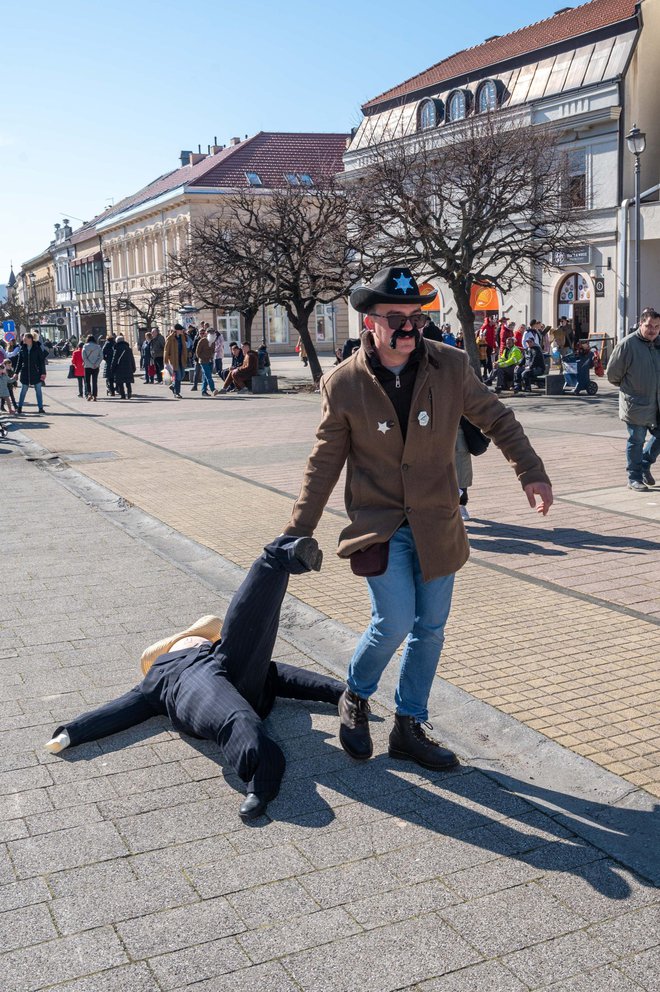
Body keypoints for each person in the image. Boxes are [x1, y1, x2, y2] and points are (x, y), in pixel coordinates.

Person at [283, 265, 552, 770]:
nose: (409, 329)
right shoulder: (343, 385)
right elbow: (323, 462)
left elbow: (498, 418)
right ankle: (356, 697)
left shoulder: (450, 366)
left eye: (416, 318)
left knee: (430, 627)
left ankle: (409, 725)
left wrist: (531, 473)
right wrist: (296, 531)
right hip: (379, 523)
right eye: (396, 319)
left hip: (437, 520)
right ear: (371, 323)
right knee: (394, 622)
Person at [44, 536, 343, 821]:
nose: (196, 638)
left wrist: (341, 693)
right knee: (236, 717)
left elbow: (283, 676)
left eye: (198, 637)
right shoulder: (158, 677)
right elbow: (121, 709)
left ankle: (281, 556)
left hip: (230, 671)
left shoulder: (215, 646)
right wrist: (72, 733)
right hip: (188, 679)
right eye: (192, 637)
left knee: (253, 625)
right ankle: (260, 777)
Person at [606, 307, 660, 492]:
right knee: (636, 440)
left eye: (657, 326)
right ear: (640, 324)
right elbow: (612, 375)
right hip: (635, 403)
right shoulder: (627, 345)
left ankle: (644, 464)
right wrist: (633, 389)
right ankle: (634, 477)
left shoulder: (658, 344)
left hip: (657, 403)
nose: (653, 330)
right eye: (649, 325)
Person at [15, 332, 47, 415]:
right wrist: (16, 373)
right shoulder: (22, 348)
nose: (23, 339)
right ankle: (19, 408)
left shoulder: (37, 347)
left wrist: (43, 372)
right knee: (23, 391)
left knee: (38, 391)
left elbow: (41, 361)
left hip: (36, 373)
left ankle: (40, 408)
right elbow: (19, 362)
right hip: (25, 373)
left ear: (30, 339)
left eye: (25, 338)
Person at [163, 325, 189, 398]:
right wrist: (166, 361)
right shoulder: (170, 338)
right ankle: (177, 393)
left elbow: (184, 347)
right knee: (178, 377)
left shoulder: (182, 337)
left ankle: (173, 386)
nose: (182, 331)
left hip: (181, 359)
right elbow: (166, 350)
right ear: (176, 330)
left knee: (182, 375)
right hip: (173, 360)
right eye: (180, 330)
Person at [110, 334, 136, 400]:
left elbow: (114, 360)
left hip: (119, 368)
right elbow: (132, 359)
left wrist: (112, 368)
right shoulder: (129, 349)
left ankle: (123, 395)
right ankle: (129, 393)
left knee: (120, 382)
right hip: (128, 368)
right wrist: (133, 367)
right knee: (128, 382)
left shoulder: (117, 349)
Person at [194, 327, 215, 396]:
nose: (212, 334)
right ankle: (213, 389)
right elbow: (197, 352)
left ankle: (204, 391)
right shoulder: (202, 341)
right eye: (210, 333)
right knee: (208, 376)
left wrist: (211, 358)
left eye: (213, 333)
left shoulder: (213, 341)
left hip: (210, 361)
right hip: (203, 361)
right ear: (207, 333)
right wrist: (202, 358)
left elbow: (213, 351)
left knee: (206, 377)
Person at [82, 334, 103, 402]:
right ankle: (95, 396)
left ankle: (89, 394)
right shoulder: (98, 347)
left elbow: (84, 358)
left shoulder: (84, 347)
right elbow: (101, 357)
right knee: (95, 381)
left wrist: (90, 364)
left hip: (87, 366)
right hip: (95, 367)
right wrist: (96, 364)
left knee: (87, 381)